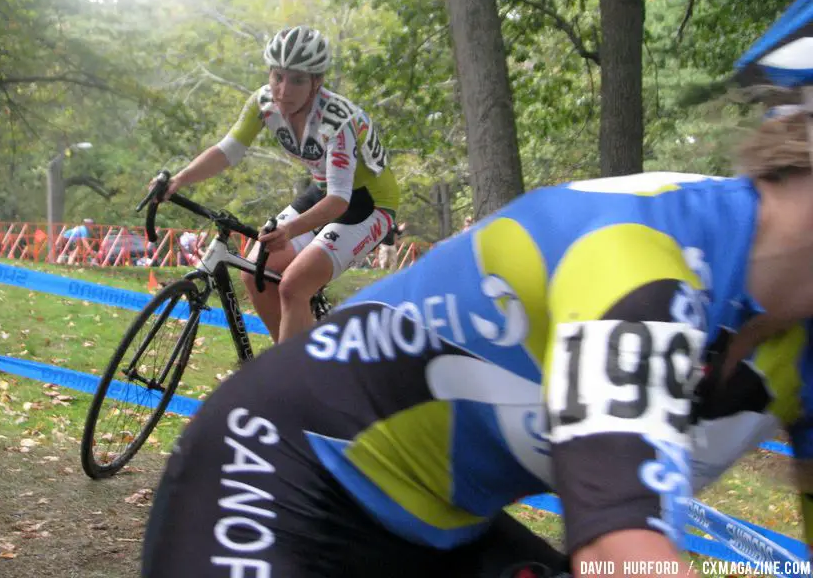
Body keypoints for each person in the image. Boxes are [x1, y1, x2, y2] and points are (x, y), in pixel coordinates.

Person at [141, 95, 813, 577]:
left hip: (437, 530)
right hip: (276, 472)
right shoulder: (643, 254)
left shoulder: (799, 347)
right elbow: (617, 554)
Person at [158, 25, 400, 342]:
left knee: (293, 286)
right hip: (324, 190)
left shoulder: (338, 121)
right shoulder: (264, 104)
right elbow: (226, 151)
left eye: (297, 79)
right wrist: (178, 180)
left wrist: (289, 231)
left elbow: (340, 201)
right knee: (253, 273)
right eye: (277, 76)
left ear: (317, 82)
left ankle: (290, 382)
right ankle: (292, 363)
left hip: (368, 205)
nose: (283, 89)